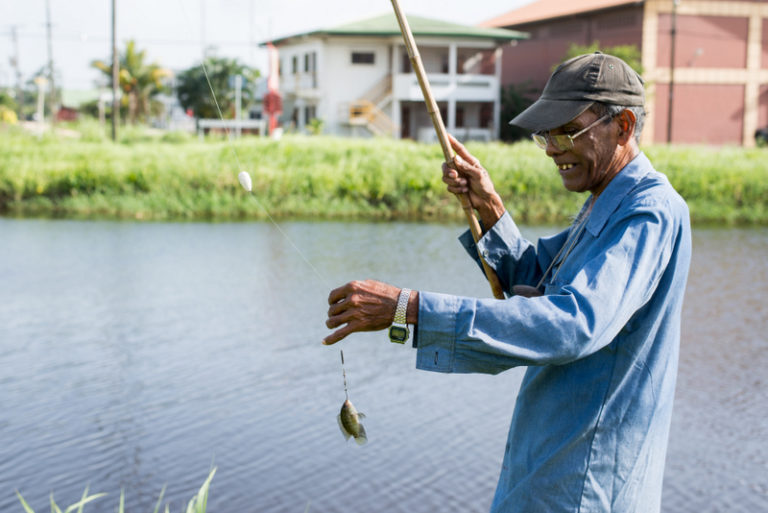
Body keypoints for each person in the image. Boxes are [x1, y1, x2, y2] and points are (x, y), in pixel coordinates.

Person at [323, 52, 691, 513]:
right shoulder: (606, 199)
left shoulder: (648, 212)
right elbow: (541, 282)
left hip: (582, 488)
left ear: (623, 127)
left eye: (566, 132)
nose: (553, 148)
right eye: (546, 135)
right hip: (547, 473)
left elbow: (571, 323)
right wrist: (489, 207)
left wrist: (406, 307)